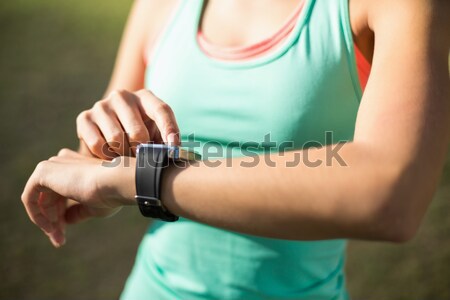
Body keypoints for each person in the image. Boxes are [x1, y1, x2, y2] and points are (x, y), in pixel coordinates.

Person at [21, 0, 449, 299]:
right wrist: (104, 136)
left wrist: (141, 180)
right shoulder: (160, 5)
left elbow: (393, 197)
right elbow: (97, 169)